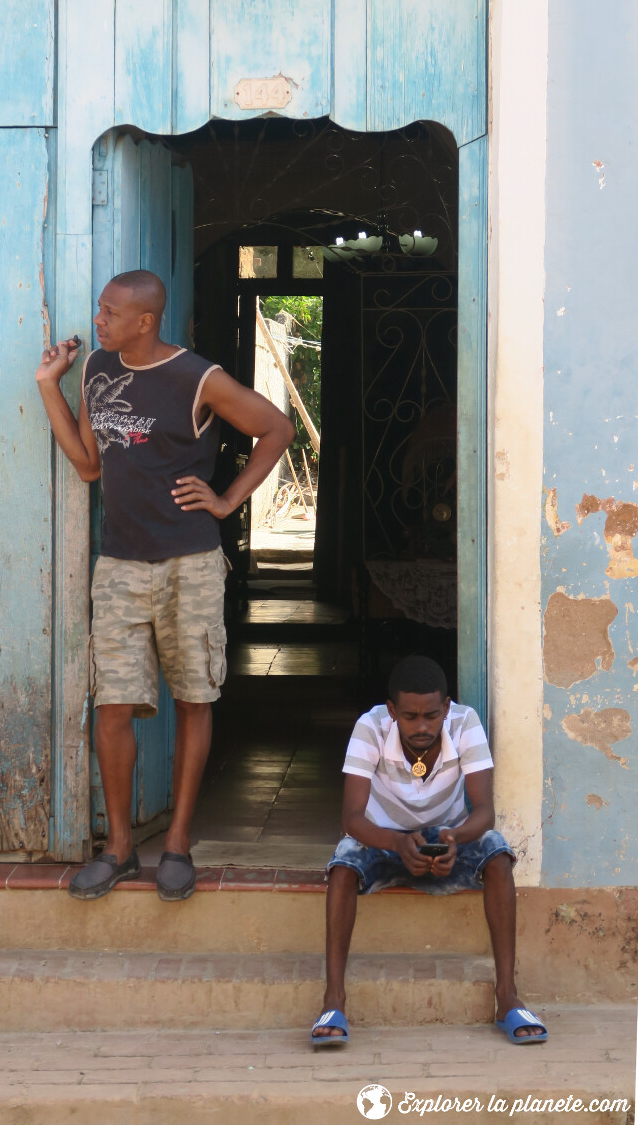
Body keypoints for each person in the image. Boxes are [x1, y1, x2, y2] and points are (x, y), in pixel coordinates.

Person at [36, 269, 294, 902]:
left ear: (145, 321)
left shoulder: (196, 378)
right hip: (120, 564)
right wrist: (51, 387)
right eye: (99, 311)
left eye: (110, 313)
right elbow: (90, 465)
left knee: (193, 698)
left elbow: (276, 430)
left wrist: (228, 498)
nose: (98, 321)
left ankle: (177, 843)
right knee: (113, 706)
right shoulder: (98, 368)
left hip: (190, 563)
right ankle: (121, 848)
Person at [311, 654, 547, 1047]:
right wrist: (395, 842)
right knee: (343, 863)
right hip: (382, 838)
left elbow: (484, 811)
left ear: (447, 707)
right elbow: (352, 818)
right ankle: (333, 1000)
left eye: (432, 716)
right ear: (392, 711)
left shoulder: (465, 722)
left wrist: (455, 839)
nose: (422, 727)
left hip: (446, 837)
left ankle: (507, 997)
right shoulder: (370, 727)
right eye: (410, 717)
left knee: (497, 852)